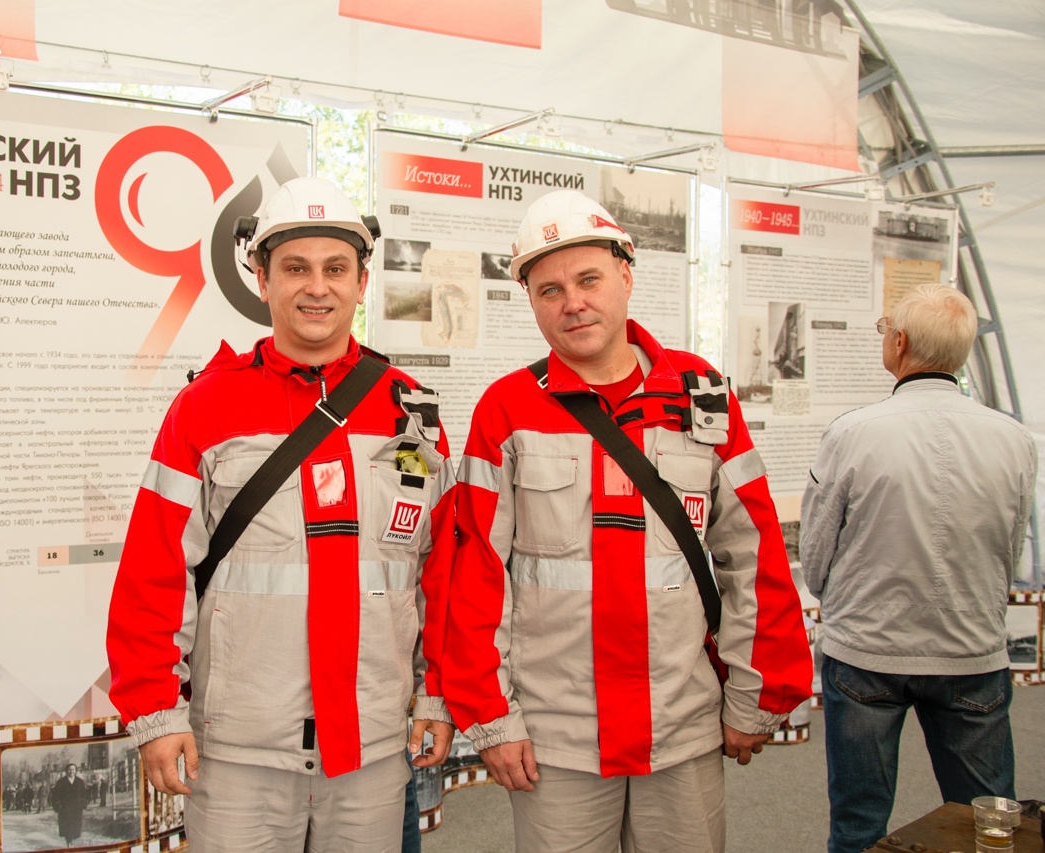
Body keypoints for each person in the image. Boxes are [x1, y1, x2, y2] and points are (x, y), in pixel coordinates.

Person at [442, 189, 812, 853]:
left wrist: (757, 691)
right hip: (557, 741)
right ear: (530, 300)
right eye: (550, 290)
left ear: (626, 275)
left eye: (588, 280)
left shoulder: (701, 396)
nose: (573, 302)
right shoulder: (506, 410)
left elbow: (753, 555)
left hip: (681, 727)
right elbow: (475, 577)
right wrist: (492, 717)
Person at [106, 176, 456, 852]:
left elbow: (441, 571)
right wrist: (155, 710)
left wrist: (436, 691)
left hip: (371, 745)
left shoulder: (410, 413)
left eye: (336, 269)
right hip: (240, 751)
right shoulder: (204, 408)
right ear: (262, 279)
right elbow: (154, 567)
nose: (317, 287)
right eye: (295, 268)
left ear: (362, 281)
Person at [800, 284, 1037, 853]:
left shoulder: (853, 433)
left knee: (858, 825)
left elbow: (816, 555)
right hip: (971, 650)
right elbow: (1010, 552)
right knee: (989, 826)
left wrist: (844, 598)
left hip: (866, 652)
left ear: (900, 343)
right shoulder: (1015, 439)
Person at [51, 763, 90, 848]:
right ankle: (69, 842)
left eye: (73, 769)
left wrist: (82, 804)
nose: (71, 771)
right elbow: (55, 796)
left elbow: (84, 794)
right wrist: (59, 807)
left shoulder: (80, 782)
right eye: (69, 769)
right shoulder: (61, 782)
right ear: (66, 771)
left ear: (76, 771)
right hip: (65, 810)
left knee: (75, 828)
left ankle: (71, 841)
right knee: (67, 828)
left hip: (76, 809)